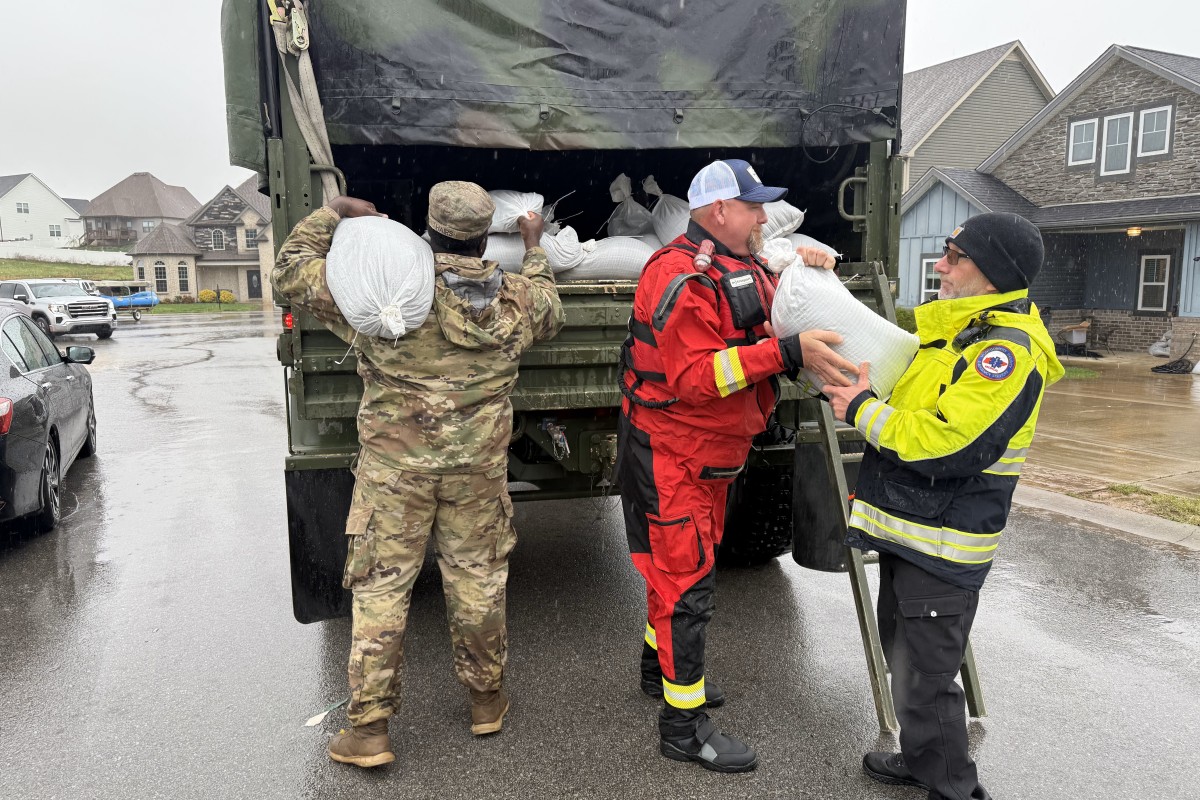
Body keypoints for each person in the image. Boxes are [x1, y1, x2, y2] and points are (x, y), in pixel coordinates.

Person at [272, 183, 564, 769]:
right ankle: (486, 702)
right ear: (486, 239)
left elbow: (290, 272)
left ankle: (370, 729)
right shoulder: (518, 299)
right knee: (478, 581)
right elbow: (551, 309)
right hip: (477, 473)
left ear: (427, 232)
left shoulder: (384, 290)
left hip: (394, 473)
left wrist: (334, 212)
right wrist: (534, 247)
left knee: (381, 589)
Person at [616, 158, 858, 773]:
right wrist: (784, 352)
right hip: (672, 454)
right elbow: (698, 378)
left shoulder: (742, 265)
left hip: (709, 456)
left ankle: (658, 670)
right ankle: (683, 727)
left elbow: (777, 312)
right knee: (687, 585)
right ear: (719, 210)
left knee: (679, 572)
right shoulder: (680, 276)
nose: (762, 219)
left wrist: (810, 271)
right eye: (752, 207)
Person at [822, 212, 1064, 800]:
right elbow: (901, 392)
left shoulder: (1005, 353)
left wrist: (861, 411)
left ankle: (954, 788)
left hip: (942, 542)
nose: (940, 265)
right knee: (907, 662)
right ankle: (922, 759)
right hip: (914, 533)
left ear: (992, 271)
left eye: (955, 256)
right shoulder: (957, 336)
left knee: (927, 678)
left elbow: (950, 443)